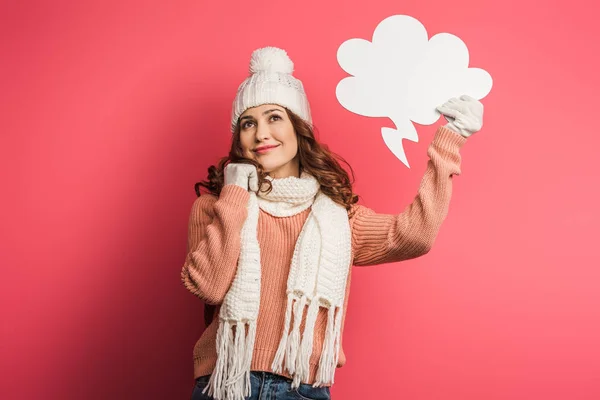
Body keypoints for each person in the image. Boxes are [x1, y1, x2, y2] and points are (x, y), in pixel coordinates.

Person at [181, 46, 484, 400]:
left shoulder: (338, 216)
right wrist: (235, 193)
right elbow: (211, 287)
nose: (261, 133)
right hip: (224, 383)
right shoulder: (215, 207)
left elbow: (415, 235)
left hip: (302, 389)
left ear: (299, 127)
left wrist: (450, 143)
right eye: (249, 123)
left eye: (275, 117)